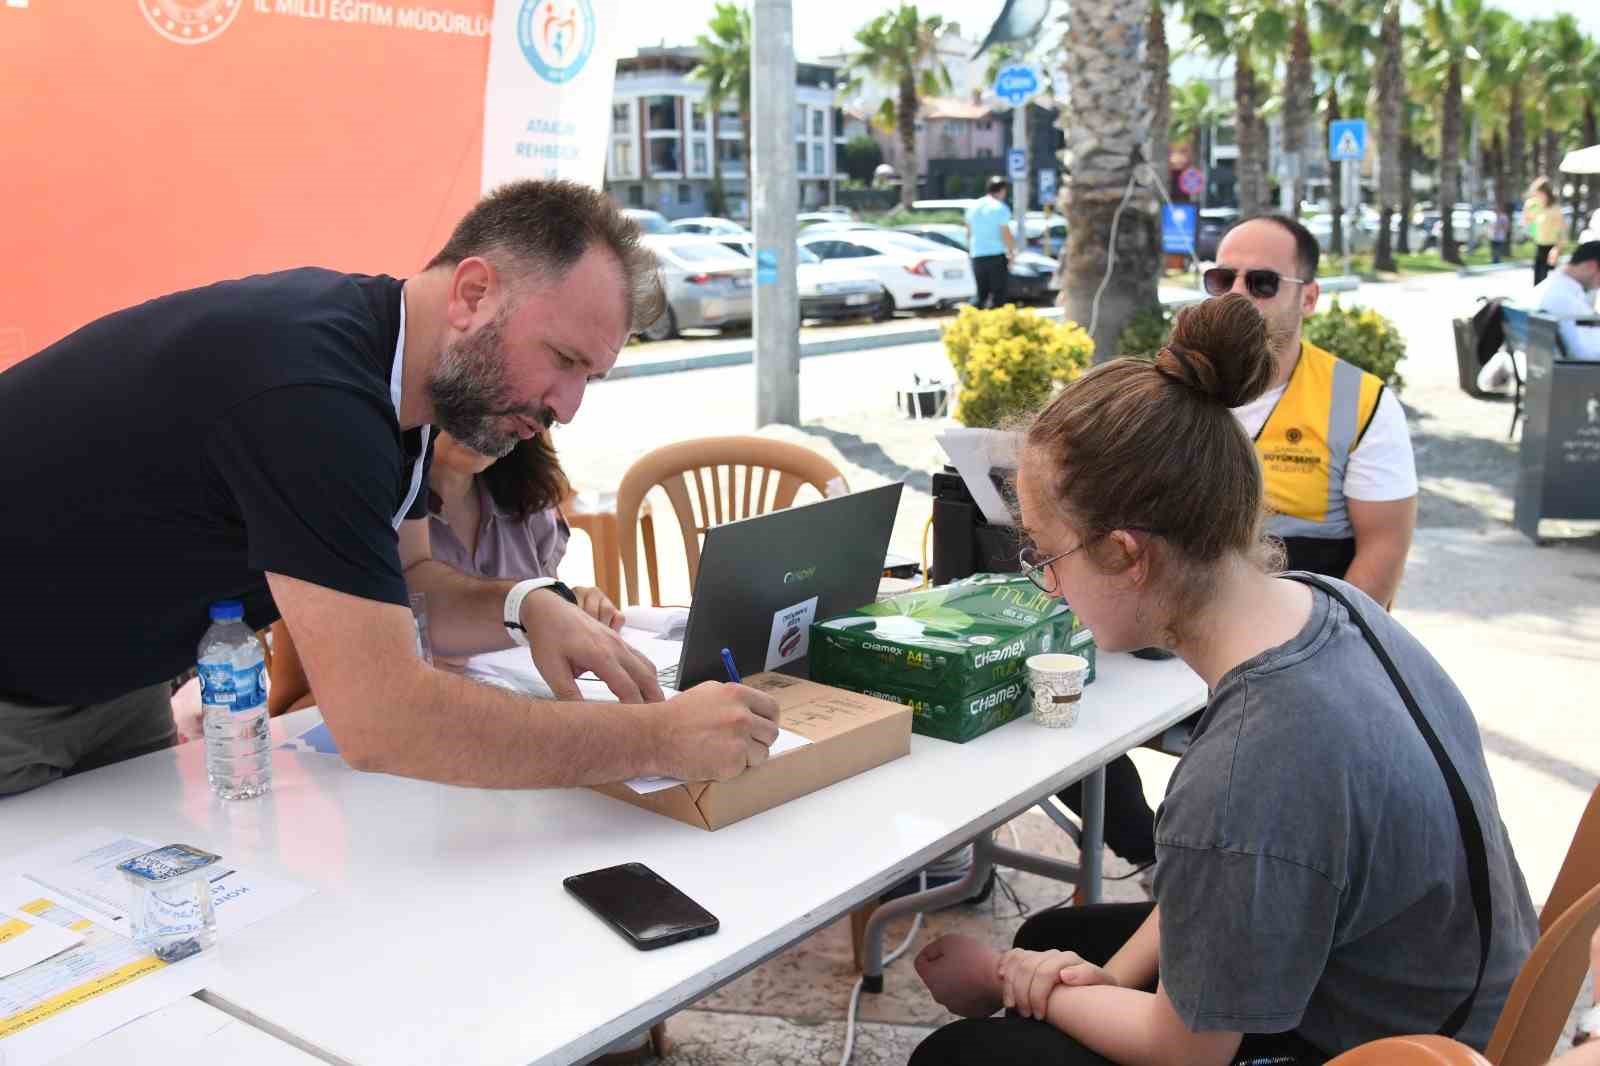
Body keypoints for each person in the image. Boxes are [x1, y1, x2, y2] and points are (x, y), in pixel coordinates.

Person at [909, 294, 1539, 1066]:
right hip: (1469, 1001)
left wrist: (1013, 979)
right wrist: (1085, 980)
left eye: (1045, 555)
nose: (1046, 586)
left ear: (1126, 553)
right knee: (1060, 937)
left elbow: (1188, 1051)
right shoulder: (1331, 606)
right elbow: (1227, 875)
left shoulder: (1247, 765)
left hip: (1402, 1051)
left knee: (962, 1056)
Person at [0, 178, 779, 796]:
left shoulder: (396, 386)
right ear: (474, 294)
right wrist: (660, 738)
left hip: (110, 681)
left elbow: (405, 583)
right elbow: (386, 723)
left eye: (590, 378)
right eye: (564, 360)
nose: (565, 408)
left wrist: (526, 603)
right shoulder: (310, 394)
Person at [1058, 214, 1420, 868]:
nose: (1236, 295)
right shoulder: (1168, 389)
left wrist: (1316, 663)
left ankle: (1194, 877)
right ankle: (1156, 861)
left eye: (1261, 281)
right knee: (1053, 707)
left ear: (1307, 297)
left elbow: (1384, 552)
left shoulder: (1359, 403)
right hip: (1160, 630)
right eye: (1221, 278)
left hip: (1286, 641)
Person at [262, 428, 619, 715]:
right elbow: (286, 710)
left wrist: (571, 604)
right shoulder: (347, 523)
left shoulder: (529, 506)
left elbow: (533, 629)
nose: (485, 418)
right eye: (468, 400)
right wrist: (401, 681)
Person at [1530, 239, 1600, 361]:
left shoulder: (1549, 287)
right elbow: (1585, 354)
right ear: (1591, 266)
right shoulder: (1566, 299)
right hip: (1569, 374)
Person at [965, 176, 1018, 309]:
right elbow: (1005, 233)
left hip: (977, 255)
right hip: (996, 256)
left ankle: (971, 321)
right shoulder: (1000, 207)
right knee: (998, 294)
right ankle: (995, 325)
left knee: (981, 294)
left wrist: (970, 251)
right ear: (1002, 190)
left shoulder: (974, 206)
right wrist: (1012, 253)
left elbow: (968, 233)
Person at [1525, 178, 1564, 286]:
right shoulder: (1536, 207)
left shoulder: (1554, 209)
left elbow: (1562, 231)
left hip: (1551, 247)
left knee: (1548, 281)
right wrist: (1527, 209)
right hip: (1539, 245)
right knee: (1537, 280)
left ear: (1545, 193)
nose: (1535, 197)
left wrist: (1557, 249)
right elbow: (1527, 222)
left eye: (1537, 193)